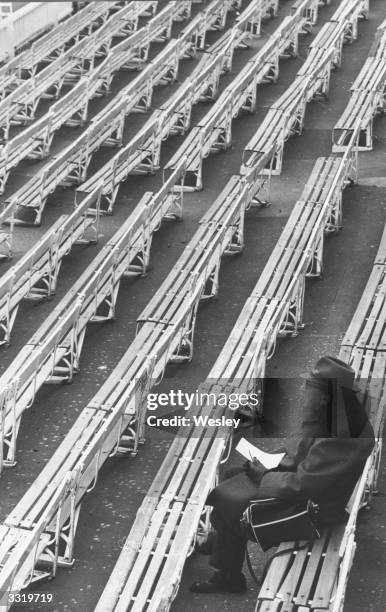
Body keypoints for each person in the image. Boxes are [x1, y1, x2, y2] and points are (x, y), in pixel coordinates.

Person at [190, 356, 375, 594]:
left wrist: (263, 477)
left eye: (311, 391)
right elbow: (306, 457)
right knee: (233, 475)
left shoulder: (343, 434)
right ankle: (223, 540)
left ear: (327, 397)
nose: (306, 397)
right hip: (316, 492)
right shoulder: (341, 413)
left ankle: (227, 572)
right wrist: (270, 466)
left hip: (314, 510)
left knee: (232, 504)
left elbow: (304, 484)